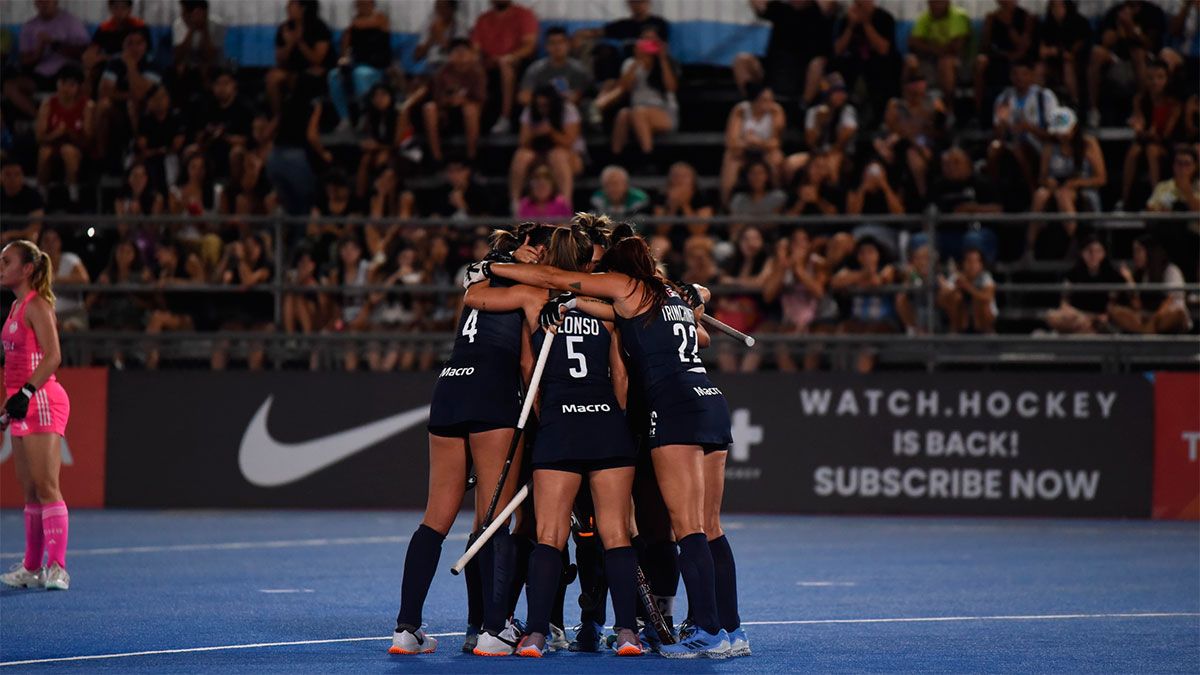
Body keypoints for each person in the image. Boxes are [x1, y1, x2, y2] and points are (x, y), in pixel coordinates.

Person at [470, 232, 747, 659]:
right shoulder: (667, 293)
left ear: (617, 271)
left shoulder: (624, 288)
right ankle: (724, 628)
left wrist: (491, 267)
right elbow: (695, 328)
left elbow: (552, 281)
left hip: (667, 408)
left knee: (684, 526)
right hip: (706, 401)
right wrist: (697, 293)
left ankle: (706, 630)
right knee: (705, 527)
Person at [462, 226, 645, 657]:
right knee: (616, 534)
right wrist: (616, 419)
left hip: (560, 425)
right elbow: (620, 375)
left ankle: (537, 634)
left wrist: (487, 267)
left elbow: (529, 369)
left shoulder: (536, 299)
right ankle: (627, 633)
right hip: (605, 424)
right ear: (585, 263)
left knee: (548, 535)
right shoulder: (606, 306)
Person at [388, 230, 538, 657]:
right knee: (493, 518)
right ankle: (493, 629)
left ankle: (406, 628)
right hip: (492, 392)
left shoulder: (477, 284)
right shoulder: (528, 290)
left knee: (435, 517)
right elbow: (526, 360)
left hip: (450, 388)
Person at [0, 239, 72, 591]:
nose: (1, 268)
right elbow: (16, 364)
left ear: (27, 269)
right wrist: (9, 404)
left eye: (7, 261)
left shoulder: (37, 305)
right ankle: (31, 568)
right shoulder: (15, 308)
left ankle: (57, 568)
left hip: (41, 399)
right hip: (22, 401)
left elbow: (53, 356)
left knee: (46, 487)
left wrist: (26, 393)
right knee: (30, 490)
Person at [1027, 107, 1107, 260]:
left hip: (1082, 188)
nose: (1061, 136)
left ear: (1074, 128)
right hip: (1056, 186)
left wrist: (1077, 183)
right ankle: (1030, 246)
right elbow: (1042, 178)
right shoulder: (1050, 146)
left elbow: (1101, 178)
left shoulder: (1088, 144)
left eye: (1064, 132)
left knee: (1063, 196)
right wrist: (1048, 181)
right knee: (1040, 195)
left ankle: (1076, 243)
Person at [732, 0, 833, 103]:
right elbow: (759, 5)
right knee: (741, 60)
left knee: (817, 64)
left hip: (803, 77)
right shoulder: (780, 9)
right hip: (772, 71)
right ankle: (754, 105)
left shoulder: (818, 13)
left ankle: (802, 106)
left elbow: (829, 4)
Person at [763, 228, 834, 371]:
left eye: (804, 241)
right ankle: (792, 384)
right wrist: (783, 268)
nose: (800, 245)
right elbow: (768, 295)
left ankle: (809, 383)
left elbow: (819, 292)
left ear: (810, 244)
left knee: (814, 345)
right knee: (780, 346)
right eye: (795, 241)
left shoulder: (819, 264)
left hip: (819, 319)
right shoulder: (782, 264)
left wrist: (799, 269)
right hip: (790, 321)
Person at [4, 0, 89, 119]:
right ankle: (40, 119)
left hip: (66, 73)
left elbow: (84, 52)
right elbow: (24, 61)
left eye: (47, 0)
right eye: (40, 1)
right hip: (41, 74)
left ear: (56, 2)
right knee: (10, 86)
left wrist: (55, 44)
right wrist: (39, 51)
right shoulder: (29, 26)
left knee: (79, 82)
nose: (44, 3)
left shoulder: (71, 22)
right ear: (35, 4)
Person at [1087, 0, 1167, 127]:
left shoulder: (1152, 12)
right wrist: (1120, 29)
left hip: (1146, 60)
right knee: (1096, 53)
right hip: (1117, 59)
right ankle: (1093, 110)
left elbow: (1150, 44)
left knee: (1137, 53)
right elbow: (1105, 41)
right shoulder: (1116, 11)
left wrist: (1130, 27)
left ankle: (1141, 108)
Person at [989, 58, 1058, 194]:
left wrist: (1030, 128)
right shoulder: (1004, 98)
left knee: (1019, 149)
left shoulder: (1045, 97)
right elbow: (998, 134)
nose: (1019, 78)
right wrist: (1003, 124)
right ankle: (994, 191)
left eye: (1024, 74)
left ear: (1032, 75)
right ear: (1011, 76)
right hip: (1012, 143)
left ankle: (1033, 190)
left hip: (1040, 144)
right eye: (1015, 74)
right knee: (994, 148)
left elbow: (1055, 133)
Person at [1119, 59, 1182, 209]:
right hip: (1145, 140)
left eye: (1160, 77)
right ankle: (1124, 199)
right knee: (1134, 150)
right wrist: (1139, 128)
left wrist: (1151, 132)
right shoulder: (1140, 99)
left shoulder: (1173, 103)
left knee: (1152, 150)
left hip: (1166, 144)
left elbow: (1167, 134)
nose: (1155, 82)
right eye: (1151, 78)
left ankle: (1156, 197)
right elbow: (1138, 121)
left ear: (1167, 79)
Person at [830, 236, 898, 373]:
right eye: (862, 253)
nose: (866, 256)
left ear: (879, 254)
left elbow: (877, 282)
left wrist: (862, 277)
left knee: (868, 341)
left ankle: (861, 380)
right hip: (858, 320)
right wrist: (863, 274)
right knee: (843, 331)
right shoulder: (850, 270)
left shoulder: (888, 268)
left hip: (883, 321)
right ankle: (840, 378)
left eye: (871, 252)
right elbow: (836, 282)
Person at [509, 85, 584, 208]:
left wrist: (551, 132)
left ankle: (565, 204)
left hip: (569, 156)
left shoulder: (568, 110)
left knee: (557, 155)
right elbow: (523, 142)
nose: (542, 109)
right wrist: (535, 133)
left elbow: (569, 142)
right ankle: (515, 204)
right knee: (521, 156)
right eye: (539, 105)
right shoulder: (530, 111)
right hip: (539, 154)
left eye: (545, 105)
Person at [471, 0, 539, 134]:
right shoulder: (483, 19)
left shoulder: (524, 14)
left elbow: (529, 46)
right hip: (489, 62)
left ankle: (505, 117)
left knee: (505, 65)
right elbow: (475, 49)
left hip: (516, 62)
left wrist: (511, 57)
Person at [605, 37, 678, 161]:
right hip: (637, 110)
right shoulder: (630, 64)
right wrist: (636, 63)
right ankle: (616, 159)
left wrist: (662, 59)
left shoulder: (665, 63)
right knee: (623, 115)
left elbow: (671, 88)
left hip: (663, 112)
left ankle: (648, 157)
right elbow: (624, 88)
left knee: (639, 112)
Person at [831, 0, 901, 123]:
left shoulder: (885, 18)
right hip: (853, 64)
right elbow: (838, 50)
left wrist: (866, 23)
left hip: (880, 64)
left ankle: (878, 119)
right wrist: (850, 27)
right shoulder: (847, 20)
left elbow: (883, 49)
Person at [1108, 234, 1192, 334]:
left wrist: (1153, 320)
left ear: (1150, 252)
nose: (1135, 256)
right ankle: (1146, 331)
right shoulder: (1143, 274)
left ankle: (1147, 332)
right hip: (1147, 317)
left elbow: (1170, 301)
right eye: (1134, 251)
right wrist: (1130, 281)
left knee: (1173, 316)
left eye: (1138, 251)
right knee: (1116, 312)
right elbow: (1137, 306)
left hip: (1167, 315)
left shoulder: (1170, 270)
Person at [720, 82, 785, 205]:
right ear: (754, 100)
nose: (769, 103)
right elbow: (732, 142)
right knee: (730, 158)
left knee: (777, 157)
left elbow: (775, 142)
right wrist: (748, 143)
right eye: (764, 100)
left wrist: (756, 141)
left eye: (771, 99)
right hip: (744, 151)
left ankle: (777, 202)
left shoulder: (776, 111)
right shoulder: (740, 110)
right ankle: (727, 203)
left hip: (765, 151)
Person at [328, 0, 391, 129]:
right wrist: (344, 58)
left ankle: (365, 114)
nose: (362, 6)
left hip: (376, 66)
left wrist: (351, 26)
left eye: (365, 3)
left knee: (360, 74)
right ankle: (344, 117)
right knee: (334, 75)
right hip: (357, 63)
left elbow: (362, 24)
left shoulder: (381, 19)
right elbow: (344, 49)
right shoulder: (352, 27)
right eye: (359, 4)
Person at [34, 64, 91, 203]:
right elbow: (39, 137)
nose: (65, 88)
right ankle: (41, 197)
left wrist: (69, 133)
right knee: (44, 152)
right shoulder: (48, 104)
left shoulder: (87, 106)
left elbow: (88, 140)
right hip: (53, 145)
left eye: (71, 85)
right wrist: (56, 134)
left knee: (68, 151)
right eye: (62, 83)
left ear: (78, 87)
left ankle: (73, 197)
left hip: (77, 150)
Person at [1044, 235, 1124, 334]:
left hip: (1099, 320)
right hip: (1078, 317)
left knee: (1103, 324)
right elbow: (1064, 303)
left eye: (1098, 251)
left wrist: (1100, 317)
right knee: (1051, 316)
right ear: (1082, 253)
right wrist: (1077, 315)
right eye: (1089, 251)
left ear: (1104, 253)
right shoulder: (1072, 274)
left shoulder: (1111, 275)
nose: (1094, 255)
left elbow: (1112, 305)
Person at [266, 0, 334, 115]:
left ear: (303, 8)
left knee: (302, 79)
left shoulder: (319, 27)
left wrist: (300, 42)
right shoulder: (285, 28)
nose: (287, 8)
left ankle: (302, 117)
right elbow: (279, 60)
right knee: (272, 77)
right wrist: (289, 45)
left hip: (317, 69)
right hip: (292, 68)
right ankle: (278, 117)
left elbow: (317, 59)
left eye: (292, 5)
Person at [424, 38, 485, 163]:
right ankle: (436, 156)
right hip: (447, 112)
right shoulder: (442, 73)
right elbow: (437, 97)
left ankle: (472, 155)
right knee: (429, 108)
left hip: (471, 112)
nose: (460, 56)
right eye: (456, 52)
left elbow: (481, 98)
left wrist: (464, 101)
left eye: (464, 52)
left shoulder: (477, 72)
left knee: (470, 110)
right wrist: (449, 100)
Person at [974, 0, 1036, 118]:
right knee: (980, 62)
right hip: (998, 56)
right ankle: (979, 111)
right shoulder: (991, 18)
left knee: (1022, 67)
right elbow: (985, 46)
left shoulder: (1027, 17)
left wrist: (1011, 28)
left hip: (1020, 57)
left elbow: (1025, 46)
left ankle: (1028, 110)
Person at [906, 0, 973, 98]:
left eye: (939, 2)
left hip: (959, 59)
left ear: (947, 2)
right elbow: (913, 42)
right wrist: (935, 49)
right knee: (910, 61)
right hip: (930, 57)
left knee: (945, 62)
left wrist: (928, 46)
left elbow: (956, 47)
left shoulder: (958, 16)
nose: (935, 5)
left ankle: (948, 105)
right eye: (932, 2)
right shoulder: (925, 17)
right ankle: (909, 105)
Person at [519, 26, 592, 107]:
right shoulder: (535, 69)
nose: (557, 46)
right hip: (539, 109)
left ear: (568, 45)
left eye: (561, 42)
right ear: (546, 46)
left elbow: (575, 98)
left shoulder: (578, 69)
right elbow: (524, 97)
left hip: (567, 110)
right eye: (552, 43)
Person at [1037, 1, 1092, 108]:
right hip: (1053, 61)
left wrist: (1057, 51)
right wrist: (1055, 52)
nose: (1056, 10)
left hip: (1077, 61)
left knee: (1068, 66)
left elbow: (1074, 52)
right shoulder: (1047, 24)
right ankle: (1038, 104)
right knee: (1039, 69)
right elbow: (1042, 51)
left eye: (1060, 6)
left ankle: (1075, 103)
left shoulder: (1079, 22)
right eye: (1053, 7)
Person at [803, 73, 857, 180]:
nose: (841, 95)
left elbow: (849, 131)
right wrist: (819, 123)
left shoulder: (848, 110)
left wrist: (831, 151)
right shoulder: (814, 112)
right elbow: (810, 142)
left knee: (831, 164)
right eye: (837, 92)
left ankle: (833, 190)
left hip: (840, 153)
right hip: (816, 153)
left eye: (843, 92)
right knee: (791, 164)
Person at [38, 228, 89, 333]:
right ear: (41, 244)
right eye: (46, 240)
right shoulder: (36, 265)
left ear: (60, 243)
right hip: (45, 316)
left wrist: (54, 279)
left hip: (72, 314)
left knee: (68, 327)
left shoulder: (70, 259)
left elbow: (84, 279)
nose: (50, 244)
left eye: (54, 240)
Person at [172, 0, 225, 98]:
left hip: (212, 68)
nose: (182, 15)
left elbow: (210, 56)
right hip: (188, 69)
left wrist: (204, 28)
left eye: (184, 11)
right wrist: (192, 29)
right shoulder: (179, 24)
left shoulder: (217, 24)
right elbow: (179, 56)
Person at [929, 147, 1003, 215]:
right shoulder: (938, 185)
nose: (951, 167)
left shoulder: (982, 183)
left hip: (977, 224)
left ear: (967, 163)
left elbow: (997, 209)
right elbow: (929, 208)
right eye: (946, 164)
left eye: (956, 162)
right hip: (944, 224)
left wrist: (973, 209)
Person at [943, 247, 997, 334]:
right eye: (969, 261)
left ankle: (987, 334)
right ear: (963, 263)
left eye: (976, 262)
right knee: (956, 297)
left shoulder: (986, 277)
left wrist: (967, 287)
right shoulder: (957, 277)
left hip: (981, 322)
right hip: (961, 321)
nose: (972, 265)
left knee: (982, 301)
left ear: (981, 264)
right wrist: (956, 288)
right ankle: (955, 332)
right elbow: (942, 299)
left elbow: (988, 297)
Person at [0, 159, 46, 245]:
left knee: (33, 236)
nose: (12, 179)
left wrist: (11, 234)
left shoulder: (33, 196)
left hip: (23, 239)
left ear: (23, 177)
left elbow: (35, 227)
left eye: (17, 174)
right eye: (8, 174)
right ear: (1, 176)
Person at [413, 0, 468, 71]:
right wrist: (431, 39)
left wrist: (441, 38)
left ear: (452, 9)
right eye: (437, 7)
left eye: (444, 7)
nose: (440, 11)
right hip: (431, 67)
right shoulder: (430, 26)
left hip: (452, 68)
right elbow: (417, 56)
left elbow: (461, 56)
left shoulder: (461, 27)